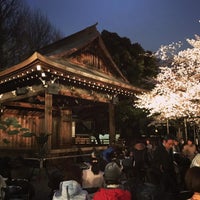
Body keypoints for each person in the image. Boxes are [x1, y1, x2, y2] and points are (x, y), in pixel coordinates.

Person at [151, 135, 178, 199]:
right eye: (169, 144)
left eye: (172, 144)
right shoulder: (158, 150)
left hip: (171, 172)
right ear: (164, 142)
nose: (171, 146)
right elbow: (154, 162)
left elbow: (171, 160)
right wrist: (160, 167)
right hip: (162, 174)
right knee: (164, 191)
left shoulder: (170, 149)